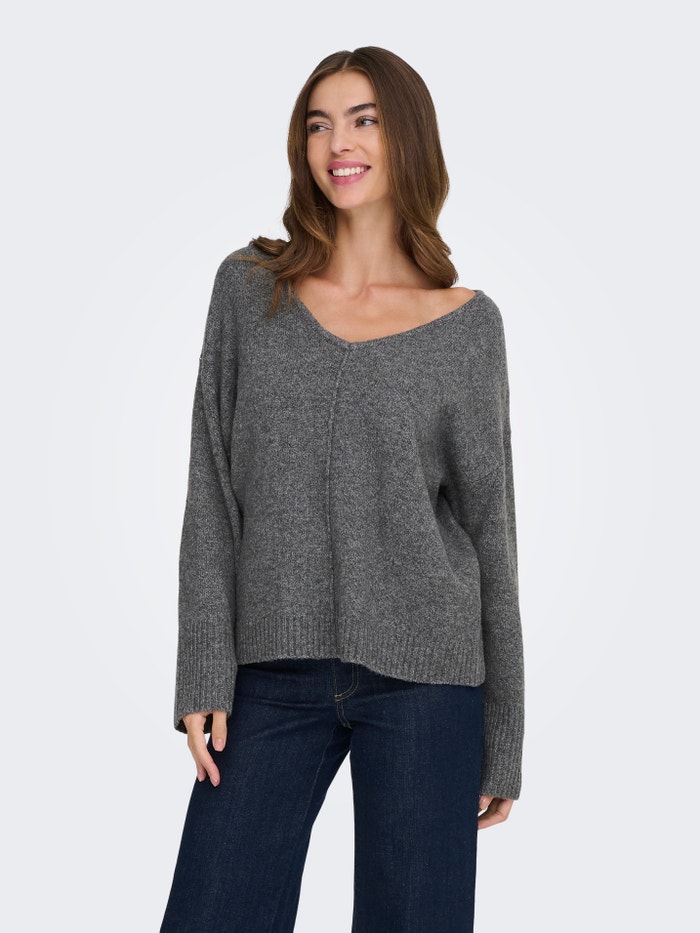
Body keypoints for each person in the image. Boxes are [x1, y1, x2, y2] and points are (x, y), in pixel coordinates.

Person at [160, 46, 525, 932]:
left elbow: (491, 529)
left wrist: (504, 733)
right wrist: (203, 666)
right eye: (318, 125)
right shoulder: (250, 291)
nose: (338, 144)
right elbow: (211, 483)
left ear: (407, 137)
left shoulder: (467, 327)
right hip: (268, 674)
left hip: (428, 680)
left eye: (364, 120)